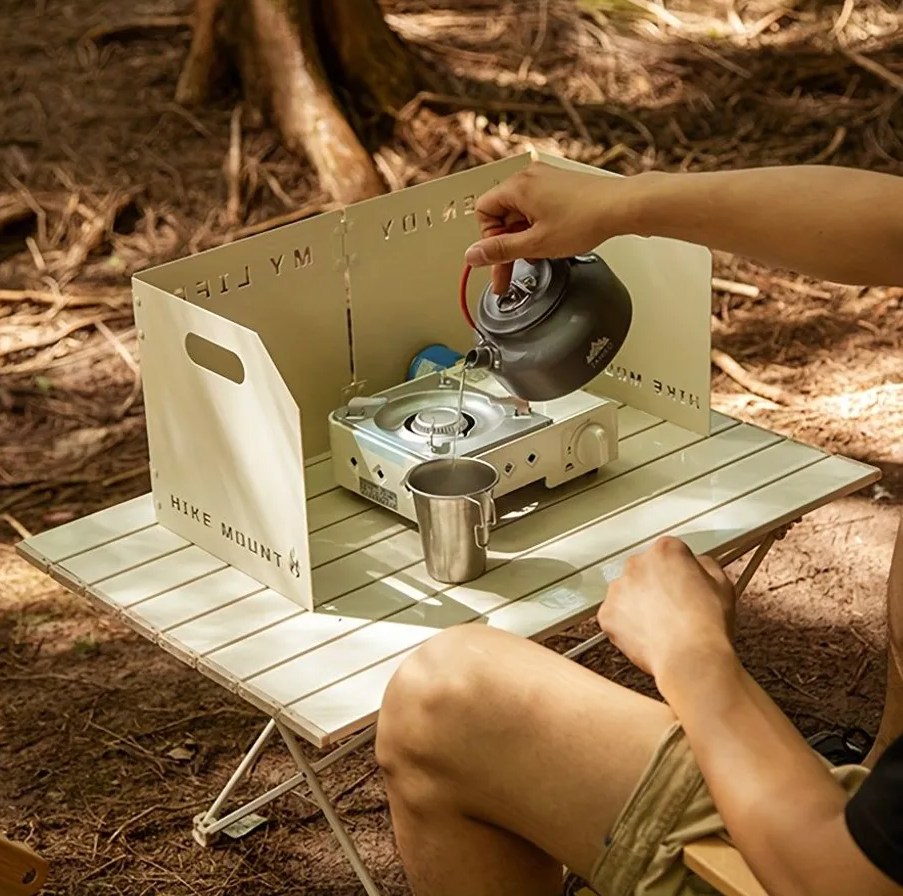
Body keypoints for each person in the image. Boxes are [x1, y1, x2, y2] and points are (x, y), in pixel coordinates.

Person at [374, 161, 903, 896]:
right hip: (871, 820)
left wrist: (693, 658)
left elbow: (842, 882)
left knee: (440, 701)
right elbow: (892, 223)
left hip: (822, 861)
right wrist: (619, 204)